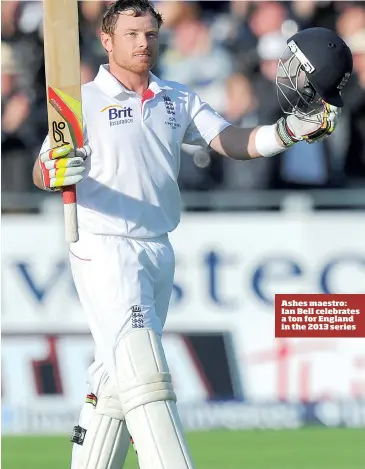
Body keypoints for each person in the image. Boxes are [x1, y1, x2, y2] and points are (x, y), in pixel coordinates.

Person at [32, 2, 352, 468]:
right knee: (146, 375)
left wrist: (288, 131)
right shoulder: (81, 102)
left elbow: (229, 140)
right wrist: (55, 169)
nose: (143, 43)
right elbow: (45, 169)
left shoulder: (174, 98)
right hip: (104, 248)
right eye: (131, 34)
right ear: (107, 40)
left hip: (158, 248)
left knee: (114, 382)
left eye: (150, 34)